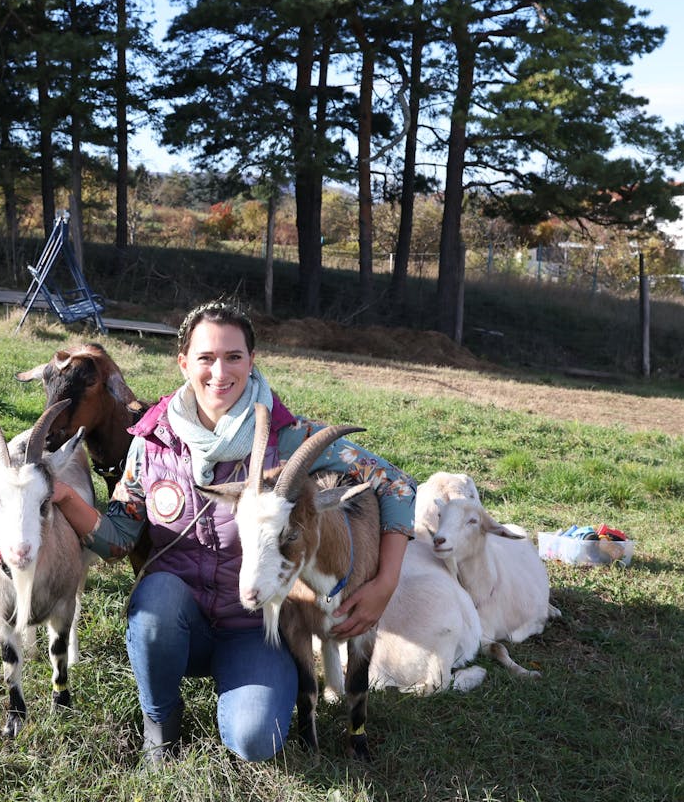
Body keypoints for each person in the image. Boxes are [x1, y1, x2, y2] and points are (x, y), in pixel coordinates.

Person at [51, 301, 417, 764]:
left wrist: (385, 584)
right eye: (205, 358)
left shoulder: (290, 438)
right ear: (184, 363)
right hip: (179, 620)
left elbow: (398, 485)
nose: (219, 372)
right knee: (156, 601)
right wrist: (66, 498)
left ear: (251, 361)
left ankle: (251, 688)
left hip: (257, 626)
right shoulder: (150, 443)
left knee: (255, 740)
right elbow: (119, 537)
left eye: (234, 357)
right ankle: (160, 726)